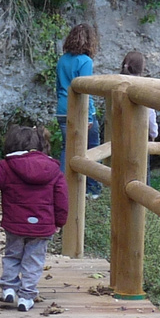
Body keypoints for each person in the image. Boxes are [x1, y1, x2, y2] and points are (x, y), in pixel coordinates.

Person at [0, 125, 69, 313]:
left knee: (13, 255)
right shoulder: (54, 170)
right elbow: (61, 198)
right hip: (43, 226)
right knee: (34, 260)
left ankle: (9, 288)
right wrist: (60, 222)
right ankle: (27, 296)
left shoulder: (7, 167)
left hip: (14, 224)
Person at [55, 23, 100, 194]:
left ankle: (60, 187)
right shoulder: (85, 61)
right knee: (93, 147)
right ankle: (92, 188)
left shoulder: (62, 60)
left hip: (62, 108)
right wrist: (88, 117)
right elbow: (85, 90)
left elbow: (58, 86)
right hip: (80, 110)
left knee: (68, 147)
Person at [119, 49, 159, 142]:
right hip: (140, 136)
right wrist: (154, 133)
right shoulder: (143, 86)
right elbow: (150, 114)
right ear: (142, 68)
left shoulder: (116, 83)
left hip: (119, 133)